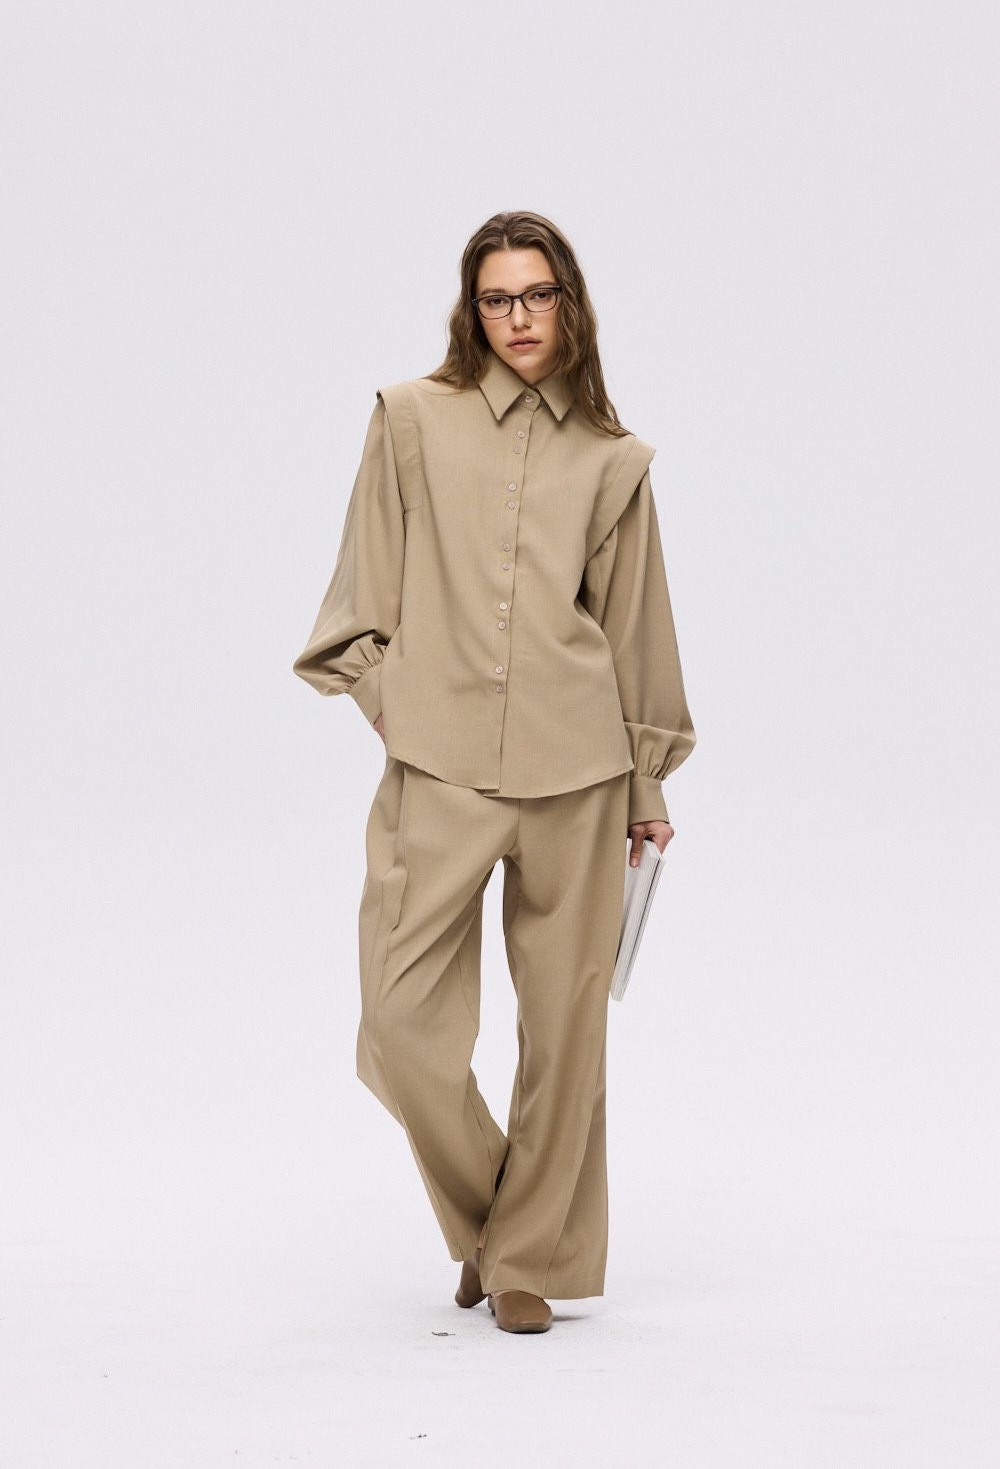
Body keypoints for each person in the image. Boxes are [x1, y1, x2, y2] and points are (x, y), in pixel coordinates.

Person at [292, 210, 696, 1335]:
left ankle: (523, 1264)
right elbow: (357, 602)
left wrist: (647, 787)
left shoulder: (613, 460)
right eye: (496, 298)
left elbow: (634, 630)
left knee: (566, 1037)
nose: (519, 318)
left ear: (570, 304)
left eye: (537, 295)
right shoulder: (410, 421)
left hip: (582, 771)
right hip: (440, 768)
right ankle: (502, 1224)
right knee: (397, 1023)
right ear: (471, 311)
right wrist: (392, 702)